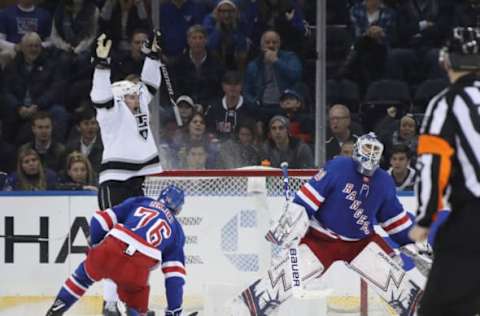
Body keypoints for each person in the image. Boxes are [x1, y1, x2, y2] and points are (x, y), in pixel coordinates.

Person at [227, 133, 426, 316]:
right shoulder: (338, 167)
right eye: (366, 149)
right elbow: (305, 202)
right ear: (357, 148)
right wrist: (288, 228)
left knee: (401, 290)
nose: (370, 155)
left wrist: (418, 246)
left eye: (375, 151)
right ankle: (235, 312)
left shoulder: (383, 181)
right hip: (321, 239)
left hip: (361, 242)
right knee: (273, 287)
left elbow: (397, 221)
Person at [89, 32, 164, 315]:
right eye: (131, 95)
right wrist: (101, 63)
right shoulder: (111, 111)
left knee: (135, 246)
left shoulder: (139, 104)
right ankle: (110, 304)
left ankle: (128, 304)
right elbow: (99, 94)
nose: (137, 99)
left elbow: (150, 84)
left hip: (135, 182)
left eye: (136, 95)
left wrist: (153, 56)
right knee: (114, 245)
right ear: (121, 96)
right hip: (114, 183)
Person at [409, 27, 480, 316]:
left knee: (439, 309)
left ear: (445, 61)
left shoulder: (445, 103)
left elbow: (433, 164)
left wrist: (425, 218)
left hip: (472, 219)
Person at [45, 185, 187, 316]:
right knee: (136, 306)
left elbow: (100, 220)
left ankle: (55, 310)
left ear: (160, 196)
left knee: (82, 278)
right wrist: (174, 310)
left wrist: (95, 244)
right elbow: (174, 277)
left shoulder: (142, 201)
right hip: (138, 268)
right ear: (179, 209)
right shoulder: (178, 231)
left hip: (112, 248)